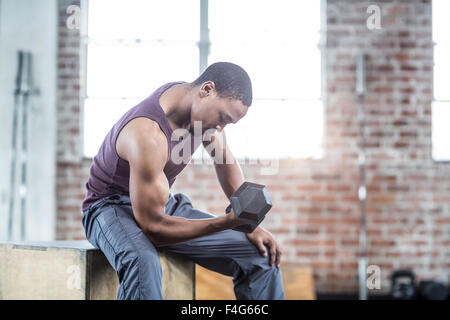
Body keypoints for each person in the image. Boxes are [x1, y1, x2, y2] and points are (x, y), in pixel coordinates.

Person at [81, 62, 285, 300]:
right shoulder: (147, 135)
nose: (220, 127)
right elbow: (154, 229)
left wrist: (248, 223)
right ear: (207, 89)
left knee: (260, 255)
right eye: (222, 118)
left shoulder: (199, 112)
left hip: (157, 202)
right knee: (142, 262)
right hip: (109, 208)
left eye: (227, 123)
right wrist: (228, 222)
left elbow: (224, 160)